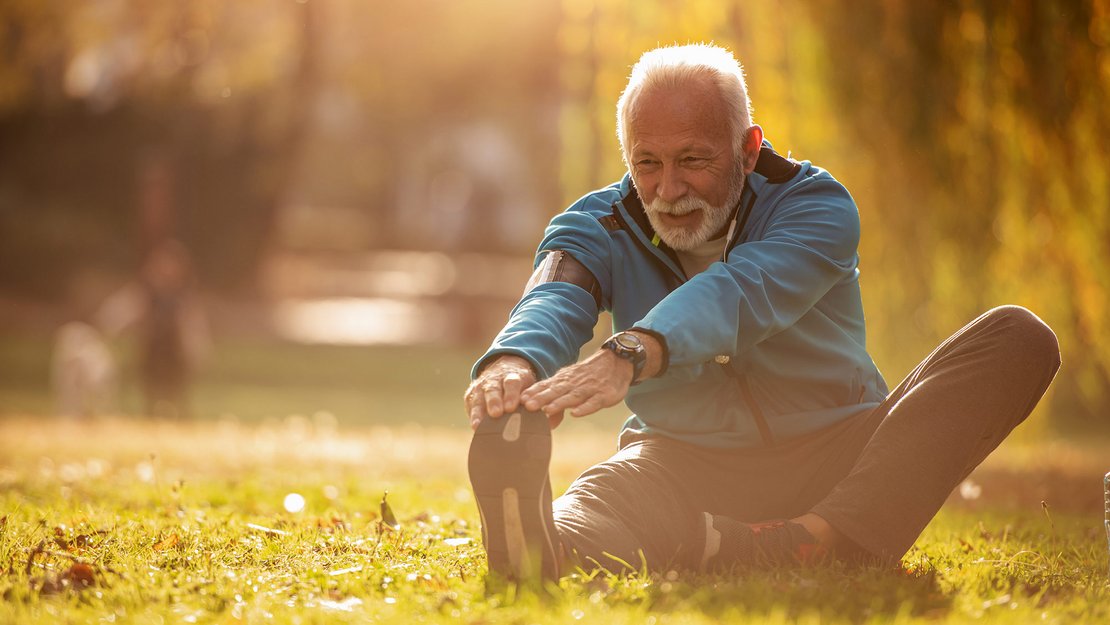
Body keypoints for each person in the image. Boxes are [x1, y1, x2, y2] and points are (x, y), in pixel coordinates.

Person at [464, 44, 1060, 582]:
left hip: (839, 453)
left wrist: (634, 349)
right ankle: (549, 544)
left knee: (1019, 336)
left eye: (692, 159)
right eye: (647, 163)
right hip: (680, 459)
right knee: (603, 499)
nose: (667, 190)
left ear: (748, 150)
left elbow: (742, 292)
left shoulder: (816, 205)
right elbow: (554, 294)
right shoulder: (597, 223)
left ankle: (821, 539)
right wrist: (514, 362)